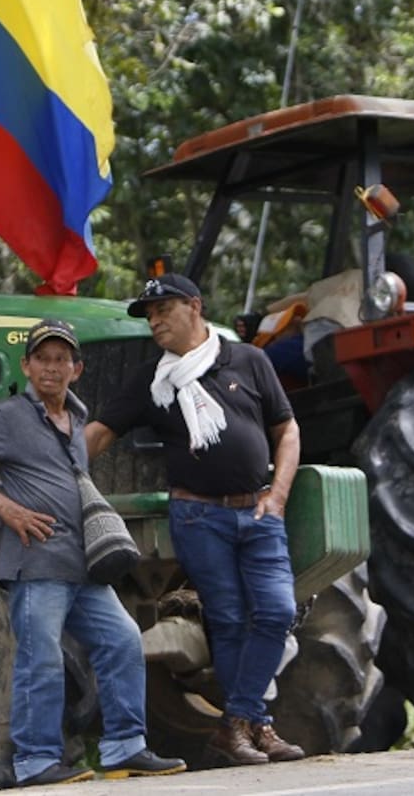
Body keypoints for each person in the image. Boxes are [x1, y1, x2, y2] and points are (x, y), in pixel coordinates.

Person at [0, 319, 186, 787]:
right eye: (43, 359)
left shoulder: (76, 417)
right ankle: (36, 762)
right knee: (41, 658)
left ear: (77, 368)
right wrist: (5, 507)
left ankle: (124, 749)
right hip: (37, 563)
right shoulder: (9, 415)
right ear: (26, 366)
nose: (52, 369)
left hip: (84, 565)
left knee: (123, 641)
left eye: (61, 360)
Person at [85, 273, 306, 766]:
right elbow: (100, 433)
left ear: (194, 306)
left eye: (163, 309)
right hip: (198, 517)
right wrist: (50, 468)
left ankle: (237, 723)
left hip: (259, 509)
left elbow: (286, 428)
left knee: (276, 611)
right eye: (149, 315)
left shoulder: (248, 360)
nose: (155, 321)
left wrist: (280, 495)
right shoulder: (152, 381)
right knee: (226, 621)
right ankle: (255, 726)